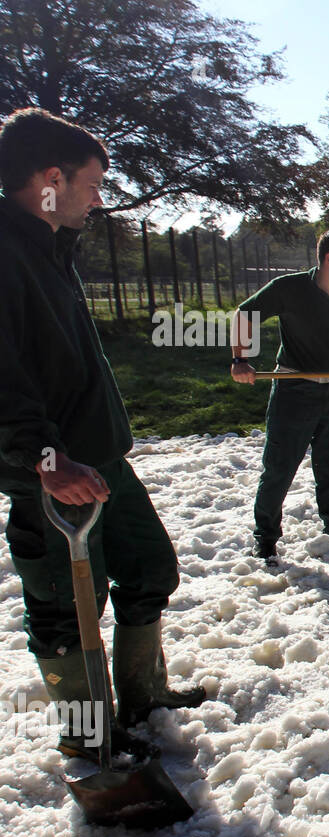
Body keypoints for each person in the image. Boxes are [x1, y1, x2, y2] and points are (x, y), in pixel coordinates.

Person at [0, 108, 205, 759]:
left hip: (101, 460)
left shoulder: (50, 250)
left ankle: (143, 697)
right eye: (91, 184)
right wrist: (44, 459)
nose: (99, 199)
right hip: (53, 473)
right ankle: (89, 739)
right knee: (64, 610)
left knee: (149, 567)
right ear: (51, 179)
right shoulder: (5, 255)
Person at [230, 227, 329, 561]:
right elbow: (244, 315)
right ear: (328, 259)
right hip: (293, 390)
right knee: (278, 467)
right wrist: (240, 360)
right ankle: (266, 537)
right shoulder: (289, 288)